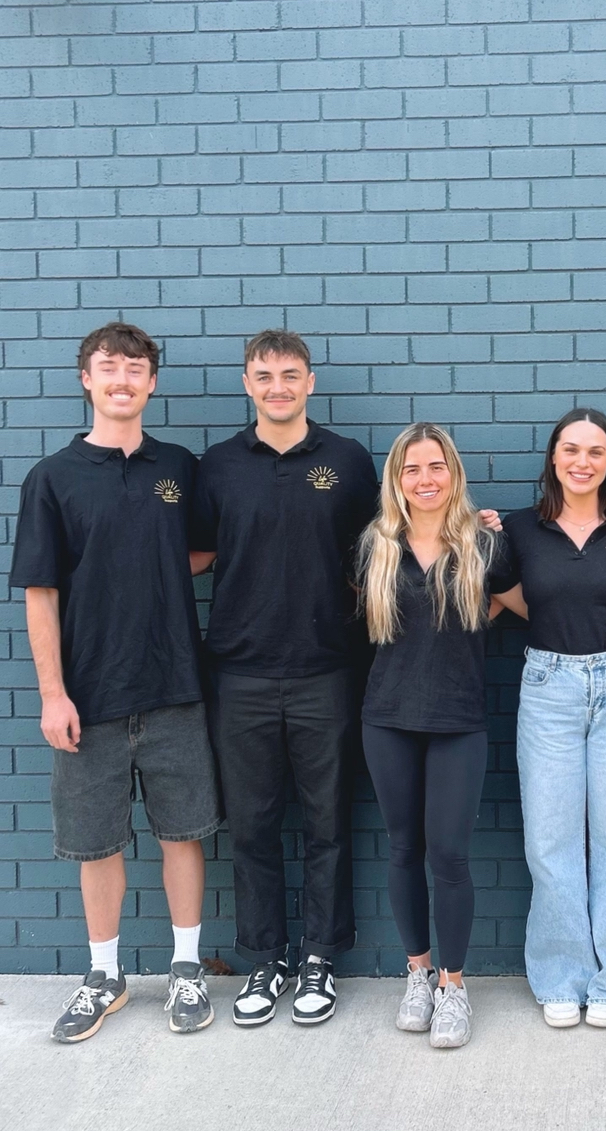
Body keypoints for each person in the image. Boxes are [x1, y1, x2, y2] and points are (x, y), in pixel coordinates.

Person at [11, 322, 222, 1042]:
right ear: (87, 379)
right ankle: (104, 976)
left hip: (174, 686)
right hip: (90, 696)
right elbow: (40, 592)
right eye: (109, 367)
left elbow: (200, 549)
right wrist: (52, 692)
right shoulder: (52, 477)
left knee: (183, 832)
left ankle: (187, 968)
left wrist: (150, 570)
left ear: (152, 383)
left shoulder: (180, 467)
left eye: (136, 368)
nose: (123, 379)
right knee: (97, 842)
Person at [190, 330, 379, 1027]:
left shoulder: (348, 461)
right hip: (238, 671)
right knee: (253, 827)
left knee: (329, 823)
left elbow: (379, 552)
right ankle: (265, 959)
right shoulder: (217, 466)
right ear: (247, 382)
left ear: (310, 381)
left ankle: (321, 958)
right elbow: (198, 553)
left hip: (327, 669)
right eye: (265, 374)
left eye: (290, 374)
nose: (278, 385)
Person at [495, 409, 606, 1029]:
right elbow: (508, 596)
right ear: (553, 458)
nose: (582, 462)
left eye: (594, 451)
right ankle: (561, 976)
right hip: (548, 686)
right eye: (570, 450)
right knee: (551, 839)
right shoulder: (519, 529)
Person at [358, 423, 512, 1050]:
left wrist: (473, 615)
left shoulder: (485, 545)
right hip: (387, 717)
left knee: (448, 855)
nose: (425, 480)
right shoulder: (374, 546)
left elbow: (515, 602)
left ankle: (453, 986)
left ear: (454, 472)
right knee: (402, 849)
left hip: (458, 720)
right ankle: (417, 974)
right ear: (397, 479)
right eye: (412, 469)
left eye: (436, 467)